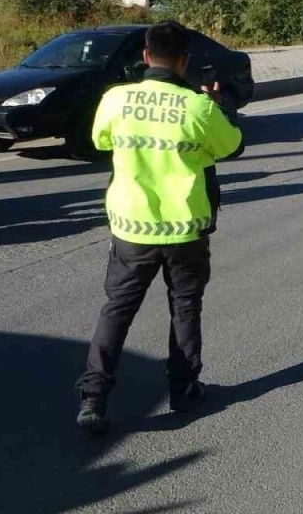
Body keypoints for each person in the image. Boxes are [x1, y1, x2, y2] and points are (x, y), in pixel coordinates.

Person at [75, 21, 243, 434]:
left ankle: (93, 399)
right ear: (184, 61)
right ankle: (183, 391)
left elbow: (100, 141)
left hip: (132, 229)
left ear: (146, 56)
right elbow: (233, 145)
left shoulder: (115, 99)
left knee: (117, 310)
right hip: (185, 230)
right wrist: (218, 105)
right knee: (184, 309)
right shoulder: (197, 107)